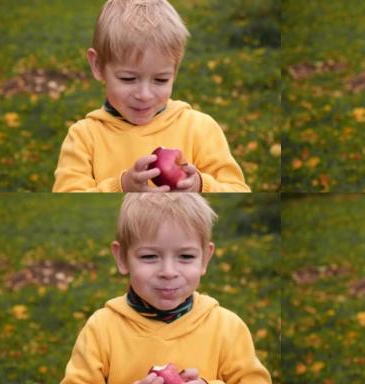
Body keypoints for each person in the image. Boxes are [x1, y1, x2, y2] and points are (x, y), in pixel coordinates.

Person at [61, 193, 271, 384]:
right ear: (122, 258)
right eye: (149, 256)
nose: (168, 272)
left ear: (205, 258)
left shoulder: (227, 328)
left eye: (186, 256)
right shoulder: (102, 329)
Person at [53, 0, 250, 192]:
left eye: (161, 80)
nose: (144, 95)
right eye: (128, 79)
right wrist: (123, 186)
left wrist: (200, 185)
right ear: (97, 66)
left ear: (175, 71)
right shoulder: (84, 137)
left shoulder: (199, 129)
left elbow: (237, 188)